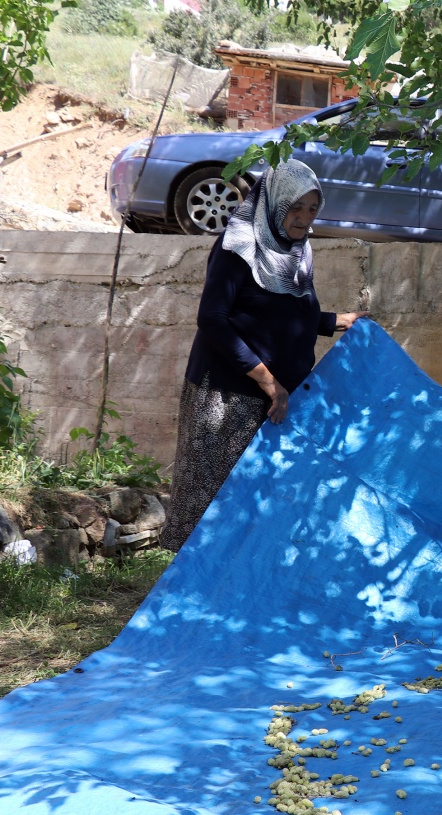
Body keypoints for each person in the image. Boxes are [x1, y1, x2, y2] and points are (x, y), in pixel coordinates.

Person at [160, 159, 365, 552]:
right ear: (273, 204)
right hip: (228, 397)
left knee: (258, 503)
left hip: (276, 399)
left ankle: (238, 593)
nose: (304, 218)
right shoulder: (237, 247)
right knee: (214, 500)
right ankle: (190, 593)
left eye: (312, 208)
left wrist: (336, 321)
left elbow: (280, 314)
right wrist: (268, 381)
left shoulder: (296, 252)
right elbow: (213, 320)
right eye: (295, 208)